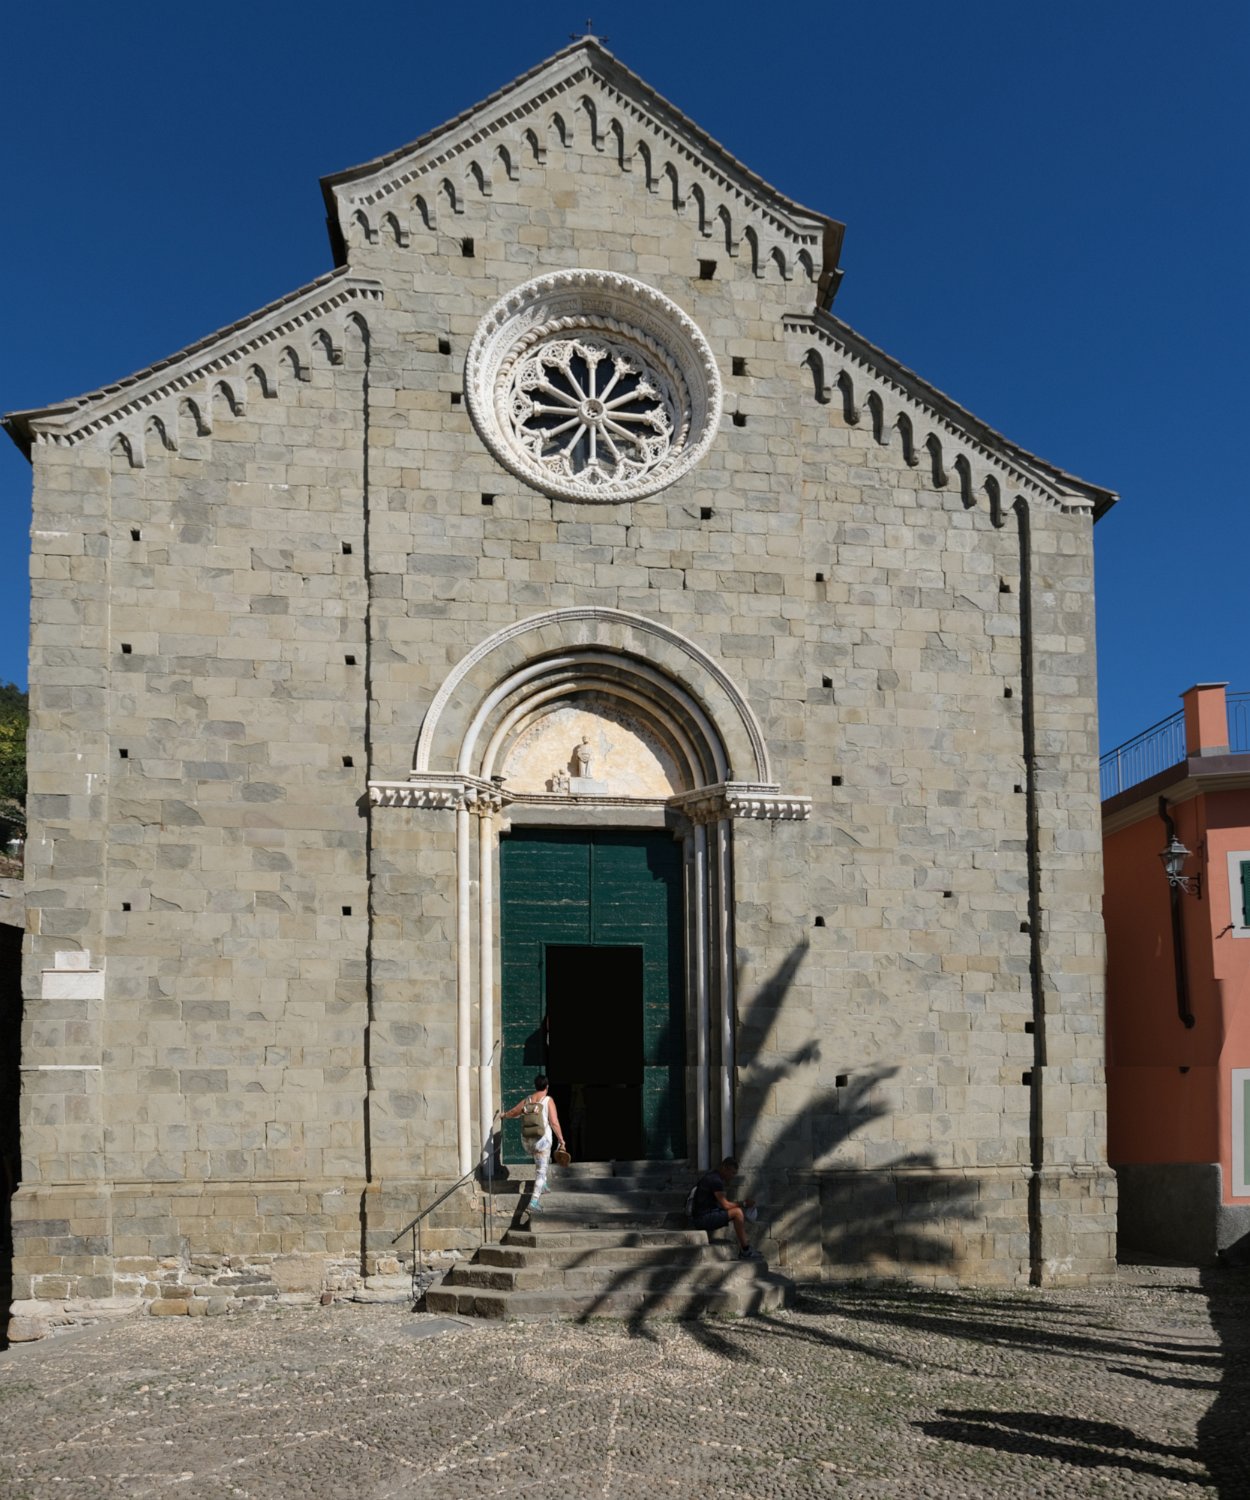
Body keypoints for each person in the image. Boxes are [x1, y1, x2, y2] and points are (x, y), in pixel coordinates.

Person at [501, 1073, 566, 1213]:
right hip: (542, 1141)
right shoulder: (548, 1100)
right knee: (540, 1171)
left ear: (535, 1086)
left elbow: (514, 1111)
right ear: (547, 1086)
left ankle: (543, 1185)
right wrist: (561, 1140)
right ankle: (534, 1201)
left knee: (540, 1161)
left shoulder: (528, 1100)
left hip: (527, 1141)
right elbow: (554, 1122)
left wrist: (504, 1115)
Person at [689, 1156, 760, 1259]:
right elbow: (725, 1205)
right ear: (724, 1168)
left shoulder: (713, 1176)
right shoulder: (716, 1181)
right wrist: (744, 1203)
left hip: (703, 1215)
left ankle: (746, 1248)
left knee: (736, 1211)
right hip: (702, 1219)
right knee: (737, 1213)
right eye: (732, 1173)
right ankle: (746, 1250)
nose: (732, 1176)